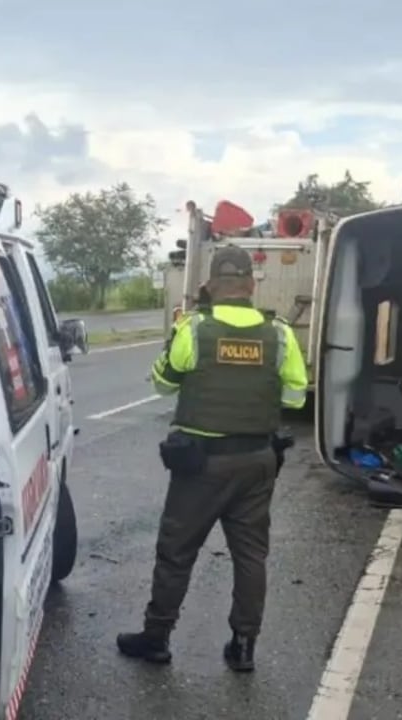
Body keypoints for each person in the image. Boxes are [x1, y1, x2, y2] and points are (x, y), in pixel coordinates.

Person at [117, 245, 308, 672]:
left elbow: (163, 386)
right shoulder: (278, 333)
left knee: (176, 553)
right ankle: (243, 646)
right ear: (250, 285)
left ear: (211, 287)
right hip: (257, 461)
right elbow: (295, 396)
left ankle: (157, 637)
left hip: (201, 467)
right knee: (250, 556)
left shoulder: (194, 329)